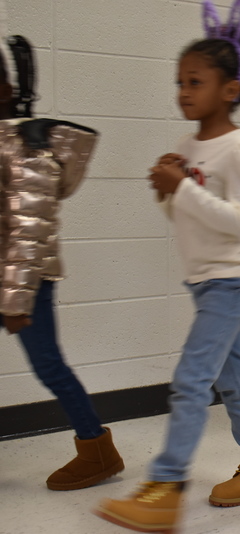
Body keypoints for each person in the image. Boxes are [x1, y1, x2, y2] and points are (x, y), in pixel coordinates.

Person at [96, 2, 240, 531]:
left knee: (190, 378)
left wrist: (182, 188)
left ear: (229, 89)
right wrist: (167, 190)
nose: (183, 91)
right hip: (205, 281)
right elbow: (187, 214)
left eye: (194, 81)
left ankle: (168, 483)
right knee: (235, 378)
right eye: (179, 81)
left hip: (234, 280)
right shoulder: (187, 145)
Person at [0, 36, 124, 491]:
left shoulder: (26, 147)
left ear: (5, 90)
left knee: (48, 365)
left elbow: (29, 231)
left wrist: (14, 300)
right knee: (48, 363)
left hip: (24, 283)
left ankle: (97, 451)